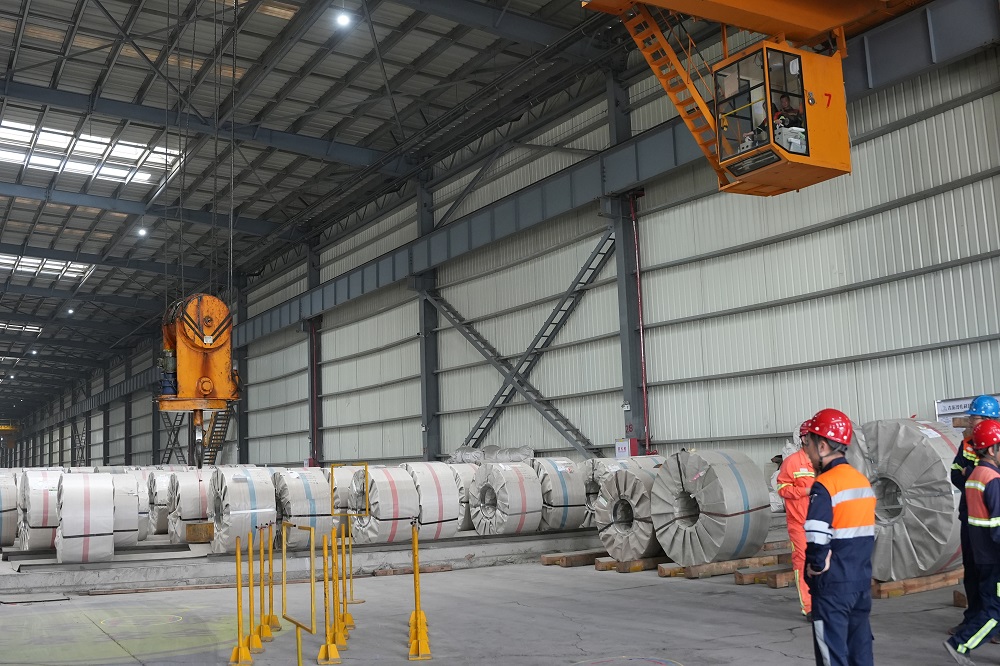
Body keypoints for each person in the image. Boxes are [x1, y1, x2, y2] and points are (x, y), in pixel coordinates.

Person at [802, 408, 875, 666]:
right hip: (860, 582)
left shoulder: (825, 484)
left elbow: (816, 533)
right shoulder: (862, 482)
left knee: (832, 656)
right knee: (860, 653)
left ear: (822, 446)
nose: (807, 451)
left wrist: (816, 566)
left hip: (833, 587)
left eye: (809, 444)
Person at [945, 419, 1000, 666]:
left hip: (983, 554)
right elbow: (998, 526)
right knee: (994, 611)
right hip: (995, 558)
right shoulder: (992, 479)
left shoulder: (976, 474)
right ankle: (960, 643)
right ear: (992, 450)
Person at [777, 420, 816, 619]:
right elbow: (782, 488)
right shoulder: (792, 462)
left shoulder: (824, 462)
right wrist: (804, 490)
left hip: (821, 522)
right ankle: (809, 607)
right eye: (809, 437)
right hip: (799, 523)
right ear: (803, 439)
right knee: (802, 561)